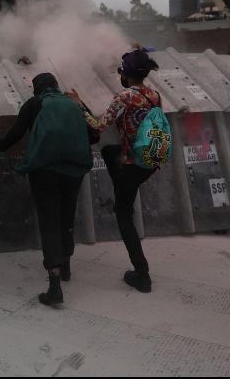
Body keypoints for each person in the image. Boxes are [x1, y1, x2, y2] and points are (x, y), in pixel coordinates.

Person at [66, 47, 161, 293]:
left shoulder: (125, 96)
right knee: (110, 152)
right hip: (151, 160)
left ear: (126, 74)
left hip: (134, 163)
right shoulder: (154, 95)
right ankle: (123, 192)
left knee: (123, 214)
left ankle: (142, 275)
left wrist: (79, 105)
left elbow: (98, 126)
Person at [0, 73, 93, 306]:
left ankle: (55, 285)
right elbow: (94, 134)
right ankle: (66, 266)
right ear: (56, 86)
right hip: (73, 170)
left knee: (49, 222)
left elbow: (16, 133)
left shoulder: (34, 103)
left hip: (43, 170)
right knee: (66, 217)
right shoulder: (73, 102)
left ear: (36, 88)